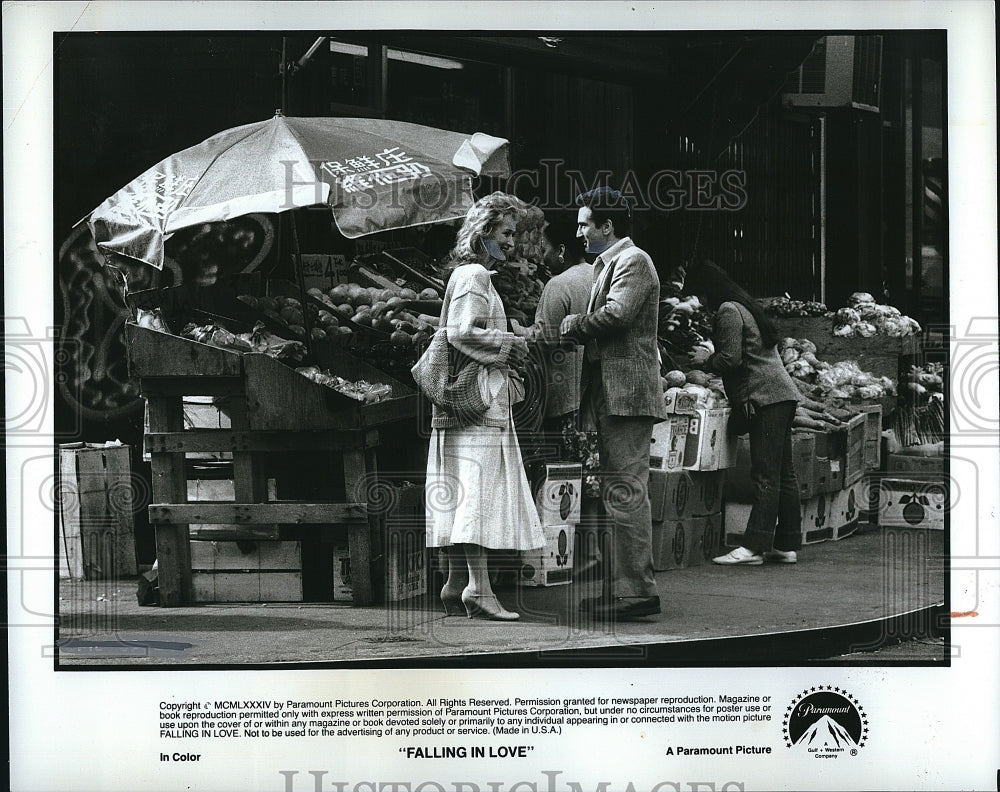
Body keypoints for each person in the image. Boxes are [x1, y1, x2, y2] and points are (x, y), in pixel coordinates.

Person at [425, 192, 544, 621]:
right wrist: (511, 343)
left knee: (461, 489)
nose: (513, 241)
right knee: (476, 493)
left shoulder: (471, 275)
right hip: (478, 405)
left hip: (466, 405)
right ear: (486, 231)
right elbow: (461, 332)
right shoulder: (475, 274)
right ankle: (479, 588)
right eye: (507, 232)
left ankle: (457, 582)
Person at [560, 187, 667, 620]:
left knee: (626, 491)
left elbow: (618, 315)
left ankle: (637, 593)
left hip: (627, 396)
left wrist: (574, 324)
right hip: (611, 393)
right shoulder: (609, 264)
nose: (580, 231)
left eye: (586, 223)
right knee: (615, 492)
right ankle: (619, 588)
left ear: (608, 227)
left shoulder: (634, 261)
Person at [685, 260, 802, 565]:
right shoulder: (746, 306)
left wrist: (705, 360)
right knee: (783, 474)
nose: (698, 303)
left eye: (698, 295)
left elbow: (731, 359)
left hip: (764, 399)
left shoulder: (728, 311)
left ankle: (753, 547)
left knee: (765, 475)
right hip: (782, 396)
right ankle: (786, 544)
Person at [511, 216, 594, 439]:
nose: (543, 257)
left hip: (564, 392)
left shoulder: (559, 284)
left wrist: (515, 329)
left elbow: (544, 339)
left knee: (562, 467)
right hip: (594, 392)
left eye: (545, 249)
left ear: (562, 250)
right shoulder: (597, 274)